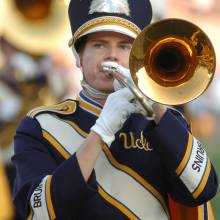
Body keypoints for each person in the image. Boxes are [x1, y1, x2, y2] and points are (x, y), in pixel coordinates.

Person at [12, 0, 218, 219]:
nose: (112, 55)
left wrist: (155, 107)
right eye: (99, 44)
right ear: (78, 56)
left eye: (125, 46)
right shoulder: (41, 126)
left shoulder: (165, 120)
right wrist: (100, 132)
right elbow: (40, 211)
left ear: (139, 56)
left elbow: (202, 189)